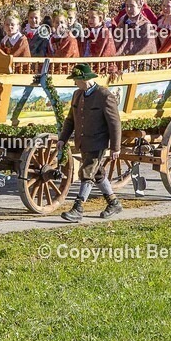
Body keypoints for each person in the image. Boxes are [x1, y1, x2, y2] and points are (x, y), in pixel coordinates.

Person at [57, 63, 123, 222]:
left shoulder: (104, 96)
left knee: (87, 173)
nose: (74, 83)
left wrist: (115, 147)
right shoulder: (77, 95)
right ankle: (114, 203)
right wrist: (62, 139)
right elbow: (70, 120)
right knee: (97, 173)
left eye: (76, 80)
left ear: (85, 79)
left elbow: (115, 123)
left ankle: (78, 208)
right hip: (83, 142)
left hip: (98, 143)